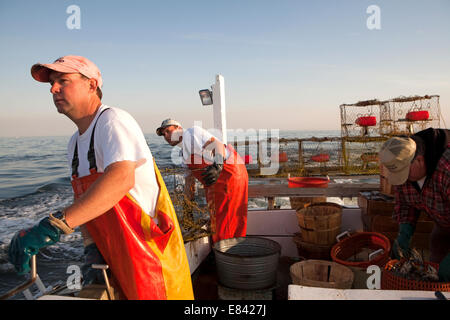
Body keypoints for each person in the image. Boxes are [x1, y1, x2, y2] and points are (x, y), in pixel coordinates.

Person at [7, 56, 193, 300]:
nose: (53, 89)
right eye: (52, 83)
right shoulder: (74, 144)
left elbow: (120, 179)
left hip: (150, 259)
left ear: (92, 85)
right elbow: (87, 203)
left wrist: (54, 225)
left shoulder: (113, 120)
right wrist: (91, 250)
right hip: (113, 258)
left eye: (63, 80)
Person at [156, 119, 248, 243]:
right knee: (218, 221)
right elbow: (190, 183)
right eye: (163, 134)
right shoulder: (184, 156)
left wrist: (218, 166)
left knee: (227, 220)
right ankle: (227, 252)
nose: (166, 136)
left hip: (229, 175)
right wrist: (187, 210)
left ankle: (229, 254)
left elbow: (217, 145)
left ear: (178, 128)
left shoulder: (192, 133)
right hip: (214, 185)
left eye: (168, 131)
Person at [379, 128, 450, 281]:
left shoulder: (446, 168)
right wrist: (404, 233)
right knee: (437, 244)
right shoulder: (405, 169)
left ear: (419, 159)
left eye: (404, 173)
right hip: (444, 222)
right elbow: (405, 202)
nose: (403, 180)